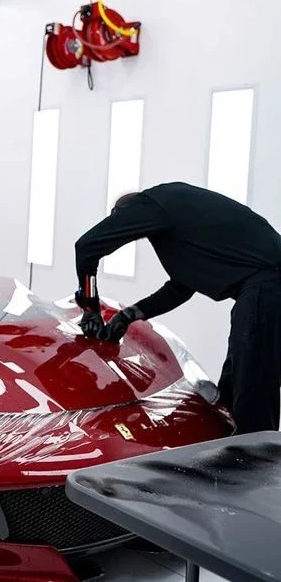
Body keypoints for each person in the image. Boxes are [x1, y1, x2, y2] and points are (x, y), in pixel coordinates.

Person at [74, 181, 281, 435]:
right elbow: (181, 288)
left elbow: (87, 247)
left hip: (268, 286)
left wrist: (90, 307)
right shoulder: (180, 216)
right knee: (236, 383)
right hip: (266, 287)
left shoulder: (149, 203)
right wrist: (128, 316)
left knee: (253, 390)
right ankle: (231, 448)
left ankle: (253, 456)